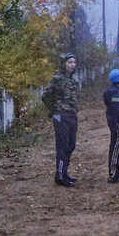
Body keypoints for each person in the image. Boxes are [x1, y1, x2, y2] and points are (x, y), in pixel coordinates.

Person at [41, 52, 80, 187]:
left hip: (72, 114)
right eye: (69, 62)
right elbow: (45, 95)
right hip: (60, 115)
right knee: (62, 146)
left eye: (74, 62)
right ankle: (61, 176)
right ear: (63, 64)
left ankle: (63, 172)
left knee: (71, 145)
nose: (72, 65)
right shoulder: (57, 79)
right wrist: (54, 110)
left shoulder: (73, 80)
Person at [103, 69, 119, 182]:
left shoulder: (113, 92)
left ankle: (115, 173)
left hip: (114, 123)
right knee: (116, 149)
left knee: (117, 148)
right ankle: (114, 174)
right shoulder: (116, 94)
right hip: (118, 126)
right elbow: (118, 111)